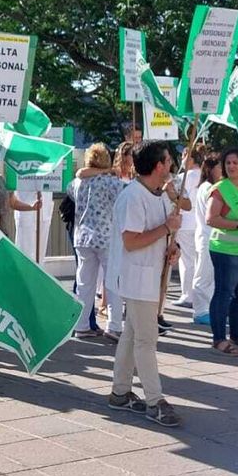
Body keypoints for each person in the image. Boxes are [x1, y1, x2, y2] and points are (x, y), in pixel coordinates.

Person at [105, 141, 182, 427]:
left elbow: (163, 236)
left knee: (131, 336)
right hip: (135, 277)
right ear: (158, 165)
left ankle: (120, 393)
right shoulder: (132, 197)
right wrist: (166, 229)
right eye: (168, 160)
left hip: (150, 275)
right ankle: (155, 401)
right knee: (146, 340)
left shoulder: (159, 195)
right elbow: (131, 241)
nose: (171, 165)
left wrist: (173, 248)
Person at [70, 144, 124, 340]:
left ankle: (81, 325)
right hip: (106, 236)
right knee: (113, 283)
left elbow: (71, 187)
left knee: (84, 284)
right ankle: (114, 325)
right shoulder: (111, 182)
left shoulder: (78, 183)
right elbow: (124, 197)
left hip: (82, 236)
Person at [206, 147, 238, 357]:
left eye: (235, 162)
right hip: (225, 249)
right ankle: (218, 338)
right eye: (228, 163)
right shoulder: (220, 189)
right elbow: (211, 219)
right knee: (224, 293)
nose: (231, 166)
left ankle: (237, 334)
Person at [99, 140, 137, 338]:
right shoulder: (113, 177)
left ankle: (122, 318)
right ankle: (113, 321)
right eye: (130, 154)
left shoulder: (136, 177)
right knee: (113, 274)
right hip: (114, 231)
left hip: (130, 231)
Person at [180, 151, 218, 323]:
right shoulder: (208, 187)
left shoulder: (212, 186)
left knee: (207, 274)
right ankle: (200, 311)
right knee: (203, 273)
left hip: (208, 236)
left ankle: (206, 308)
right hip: (206, 235)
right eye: (220, 167)